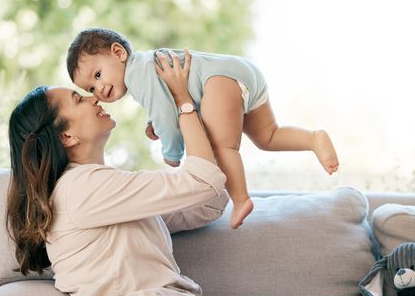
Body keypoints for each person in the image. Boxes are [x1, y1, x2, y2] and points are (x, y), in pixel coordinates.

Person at [5, 51, 404, 296]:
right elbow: (202, 181)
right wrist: (182, 101)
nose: (94, 97)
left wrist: (202, 125)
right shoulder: (80, 190)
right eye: (79, 98)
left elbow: (207, 202)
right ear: (66, 137)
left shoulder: (103, 190)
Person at [66, 27, 339, 229]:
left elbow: (166, 113)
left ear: (119, 52)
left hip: (218, 82)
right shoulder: (145, 66)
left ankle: (241, 198)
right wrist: (154, 124)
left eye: (98, 75)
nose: (99, 89)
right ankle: (313, 139)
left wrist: (172, 153)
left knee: (222, 147)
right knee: (267, 136)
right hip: (240, 73)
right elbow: (166, 105)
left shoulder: (137, 76)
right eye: (90, 88)